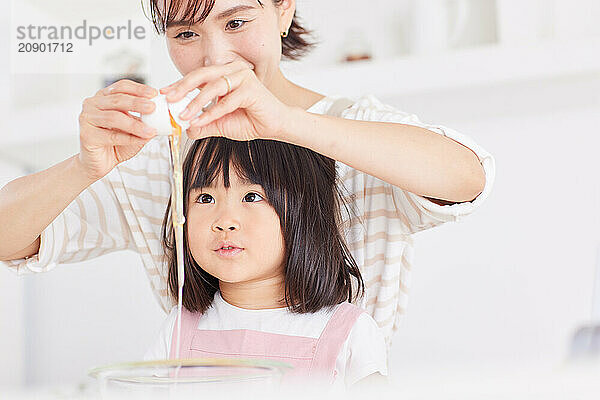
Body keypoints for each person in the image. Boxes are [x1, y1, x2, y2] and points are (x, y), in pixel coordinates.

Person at [0, 0, 494, 359]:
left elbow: (468, 177)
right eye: (185, 34)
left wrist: (286, 123)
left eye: (236, 21)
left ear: (283, 11)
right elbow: (7, 238)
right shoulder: (159, 159)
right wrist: (84, 166)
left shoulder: (353, 128)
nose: (216, 57)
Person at [144, 135, 388, 388]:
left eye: (251, 196)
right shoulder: (178, 328)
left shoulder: (349, 332)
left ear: (302, 210)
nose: (225, 221)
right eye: (206, 198)